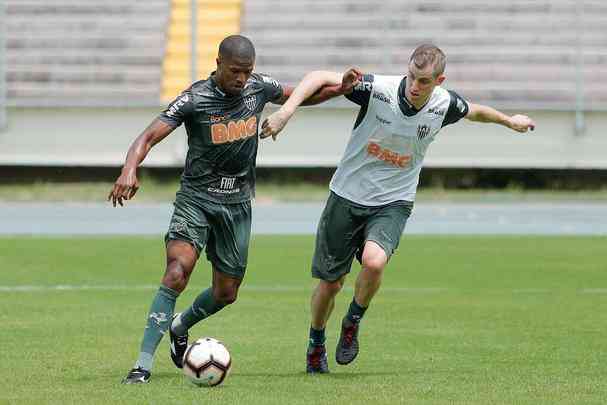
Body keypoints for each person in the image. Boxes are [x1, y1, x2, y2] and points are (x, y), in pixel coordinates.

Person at [261, 44, 536, 373]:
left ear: (439, 80)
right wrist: (286, 112)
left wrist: (509, 121)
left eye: (423, 81)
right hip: (346, 196)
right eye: (411, 77)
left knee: (374, 262)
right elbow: (319, 76)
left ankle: (352, 322)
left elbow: (475, 111)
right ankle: (316, 341)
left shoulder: (444, 104)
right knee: (330, 285)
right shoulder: (379, 90)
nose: (414, 86)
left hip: (393, 201)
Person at [108, 34, 360, 384]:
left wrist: (341, 89)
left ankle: (180, 326)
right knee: (177, 272)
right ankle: (142, 366)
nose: (241, 79)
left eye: (247, 71)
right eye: (235, 71)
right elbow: (147, 137)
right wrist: (129, 169)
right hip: (196, 200)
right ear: (218, 64)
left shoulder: (258, 88)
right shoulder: (194, 98)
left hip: (237, 205)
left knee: (226, 293)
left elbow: (301, 96)